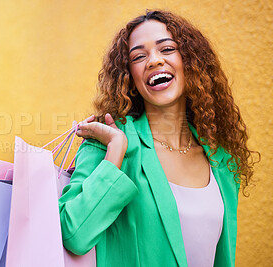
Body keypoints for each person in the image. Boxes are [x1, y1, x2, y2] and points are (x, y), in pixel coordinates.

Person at [58, 9, 259, 267]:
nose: (153, 61)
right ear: (130, 76)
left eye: (167, 49)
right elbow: (74, 234)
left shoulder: (221, 161)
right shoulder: (108, 142)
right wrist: (116, 152)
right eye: (139, 56)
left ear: (191, 62)